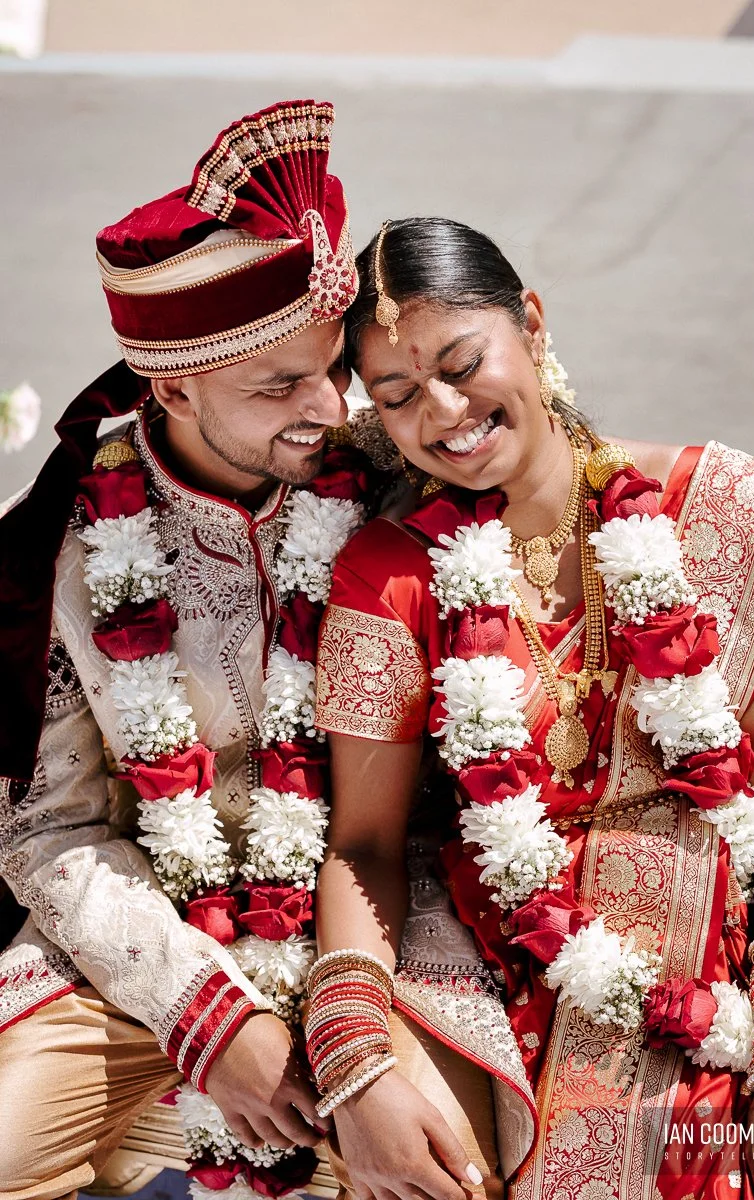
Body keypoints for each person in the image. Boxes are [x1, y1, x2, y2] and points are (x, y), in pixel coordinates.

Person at [311, 216, 754, 1200]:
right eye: (397, 396)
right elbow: (362, 843)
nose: (443, 411)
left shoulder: (730, 512)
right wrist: (353, 1060)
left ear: (530, 324)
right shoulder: (390, 573)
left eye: (461, 363)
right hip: (504, 979)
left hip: (720, 954)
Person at [0, 98, 401, 1200]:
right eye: (277, 387)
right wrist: (208, 1013)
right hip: (136, 963)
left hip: (364, 946)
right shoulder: (68, 550)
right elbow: (50, 831)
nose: (328, 409)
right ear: (169, 388)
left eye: (333, 369)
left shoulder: (389, 486)